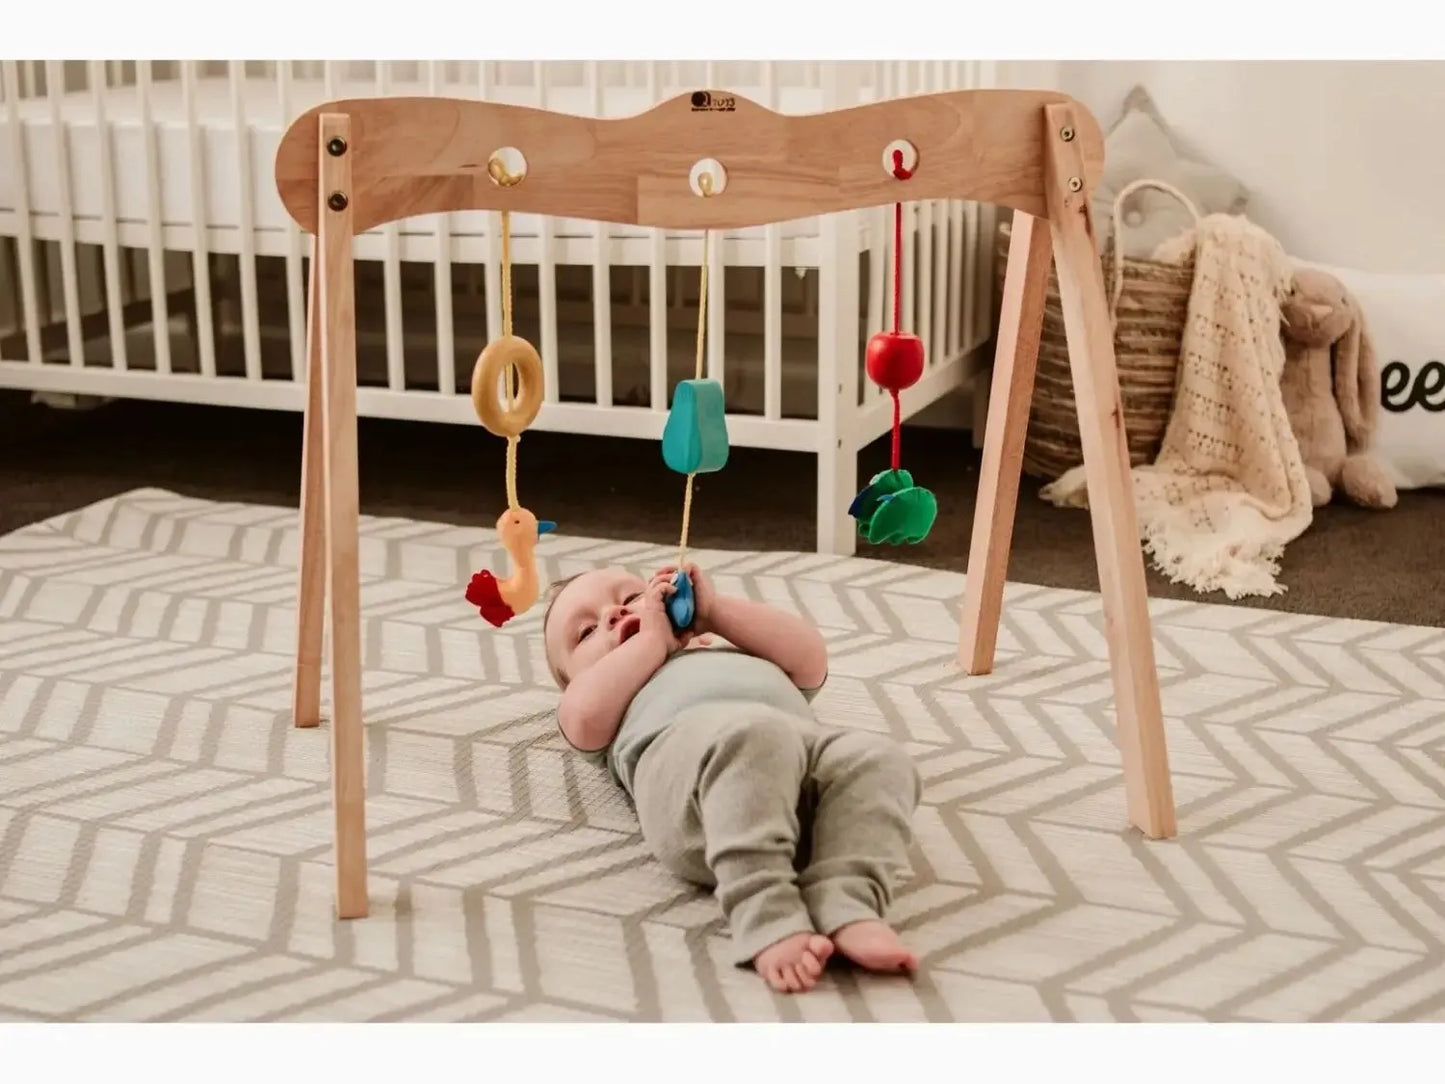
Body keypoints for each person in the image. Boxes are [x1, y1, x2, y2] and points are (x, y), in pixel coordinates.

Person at [541, 560, 922, 994]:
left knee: (877, 757)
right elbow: (581, 717)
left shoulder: (718, 648)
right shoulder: (608, 701)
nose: (614, 613)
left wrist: (717, 612)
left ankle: (847, 899)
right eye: (586, 632)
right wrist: (649, 643)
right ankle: (766, 914)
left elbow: (810, 656)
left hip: (800, 769)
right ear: (573, 681)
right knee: (757, 735)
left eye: (631, 598)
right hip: (701, 797)